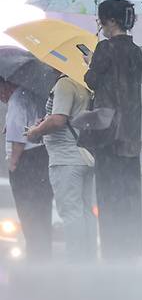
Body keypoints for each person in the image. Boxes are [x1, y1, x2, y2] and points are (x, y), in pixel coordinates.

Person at [84, 0, 142, 260]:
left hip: (108, 134)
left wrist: (91, 61)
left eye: (101, 21)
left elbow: (92, 81)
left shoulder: (104, 48)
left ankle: (112, 254)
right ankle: (130, 252)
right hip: (130, 135)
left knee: (108, 197)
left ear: (110, 20)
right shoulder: (136, 51)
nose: (100, 26)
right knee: (129, 197)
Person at [26, 75, 97, 261]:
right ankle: (89, 259)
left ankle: (76, 262)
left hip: (66, 158)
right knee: (86, 211)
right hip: (84, 155)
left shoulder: (65, 83)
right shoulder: (85, 84)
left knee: (71, 212)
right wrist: (43, 124)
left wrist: (36, 131)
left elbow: (58, 120)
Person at [0, 79, 53, 260]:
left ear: (5, 86)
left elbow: (17, 138)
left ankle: (36, 255)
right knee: (42, 210)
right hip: (42, 156)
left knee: (28, 212)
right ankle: (43, 253)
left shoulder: (16, 102)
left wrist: (13, 163)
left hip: (26, 161)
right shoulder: (31, 95)